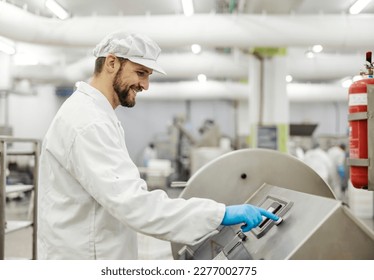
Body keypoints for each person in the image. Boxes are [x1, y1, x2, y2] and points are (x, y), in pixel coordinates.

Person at [37, 31, 279, 260]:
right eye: (140, 72)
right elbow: (135, 205)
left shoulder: (95, 115)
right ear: (111, 63)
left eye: (148, 75)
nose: (145, 85)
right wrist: (220, 214)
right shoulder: (88, 123)